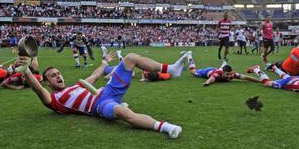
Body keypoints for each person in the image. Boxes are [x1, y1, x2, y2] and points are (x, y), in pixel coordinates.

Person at [16, 51, 186, 139]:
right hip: (99, 106)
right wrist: (26, 72)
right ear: (47, 82)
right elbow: (39, 90)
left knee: (130, 58)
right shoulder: (54, 100)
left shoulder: (77, 85)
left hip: (108, 91)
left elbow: (95, 76)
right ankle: (167, 127)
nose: (58, 76)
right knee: (121, 112)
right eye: (53, 75)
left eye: (58, 73)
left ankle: (171, 69)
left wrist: (104, 63)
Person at [185, 51, 260, 86]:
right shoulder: (217, 74)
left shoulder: (232, 74)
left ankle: (224, 63)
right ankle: (189, 55)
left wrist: (259, 81)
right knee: (192, 71)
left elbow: (246, 77)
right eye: (227, 74)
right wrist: (207, 83)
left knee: (222, 68)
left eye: (229, 74)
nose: (229, 76)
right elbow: (211, 79)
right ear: (223, 73)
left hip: (217, 70)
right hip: (207, 71)